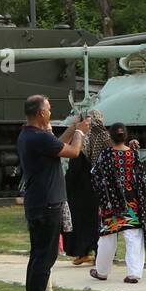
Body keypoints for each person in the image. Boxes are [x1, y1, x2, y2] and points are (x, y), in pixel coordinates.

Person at [17, 95, 88, 291]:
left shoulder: (30, 135)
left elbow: (58, 144)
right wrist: (80, 131)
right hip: (47, 204)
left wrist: (73, 127)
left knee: (39, 256)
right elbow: (73, 151)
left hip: (39, 203)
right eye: (48, 109)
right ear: (41, 113)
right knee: (44, 258)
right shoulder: (38, 138)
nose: (50, 111)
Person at [91, 122, 146, 283]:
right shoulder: (133, 154)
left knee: (107, 236)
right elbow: (140, 178)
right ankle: (134, 273)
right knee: (134, 235)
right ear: (126, 136)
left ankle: (101, 272)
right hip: (132, 200)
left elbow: (95, 176)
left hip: (111, 201)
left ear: (110, 136)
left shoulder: (105, 154)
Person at [63, 108, 109, 266]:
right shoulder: (105, 137)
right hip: (101, 187)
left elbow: (75, 166)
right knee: (99, 221)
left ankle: (83, 252)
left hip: (82, 188)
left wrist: (67, 185)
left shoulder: (82, 139)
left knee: (82, 220)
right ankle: (100, 253)